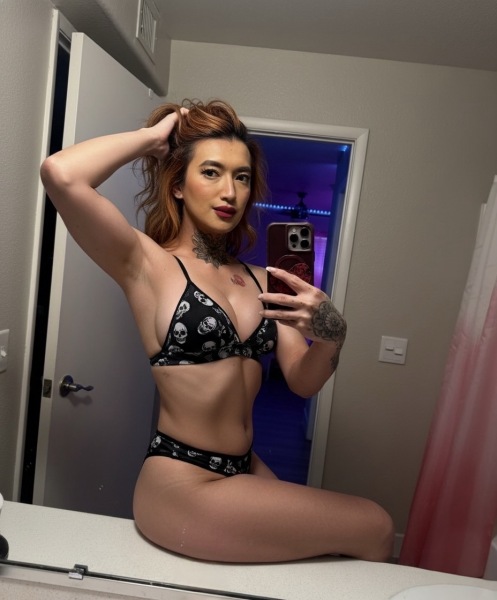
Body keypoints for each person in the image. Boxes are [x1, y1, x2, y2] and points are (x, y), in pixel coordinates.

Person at [40, 99, 394, 563]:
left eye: (241, 177)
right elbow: (61, 174)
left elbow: (302, 381)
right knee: (375, 525)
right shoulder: (147, 263)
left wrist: (331, 333)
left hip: (244, 468)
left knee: (331, 561)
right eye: (211, 172)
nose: (230, 191)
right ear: (178, 185)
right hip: (181, 481)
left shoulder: (265, 281)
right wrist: (153, 139)